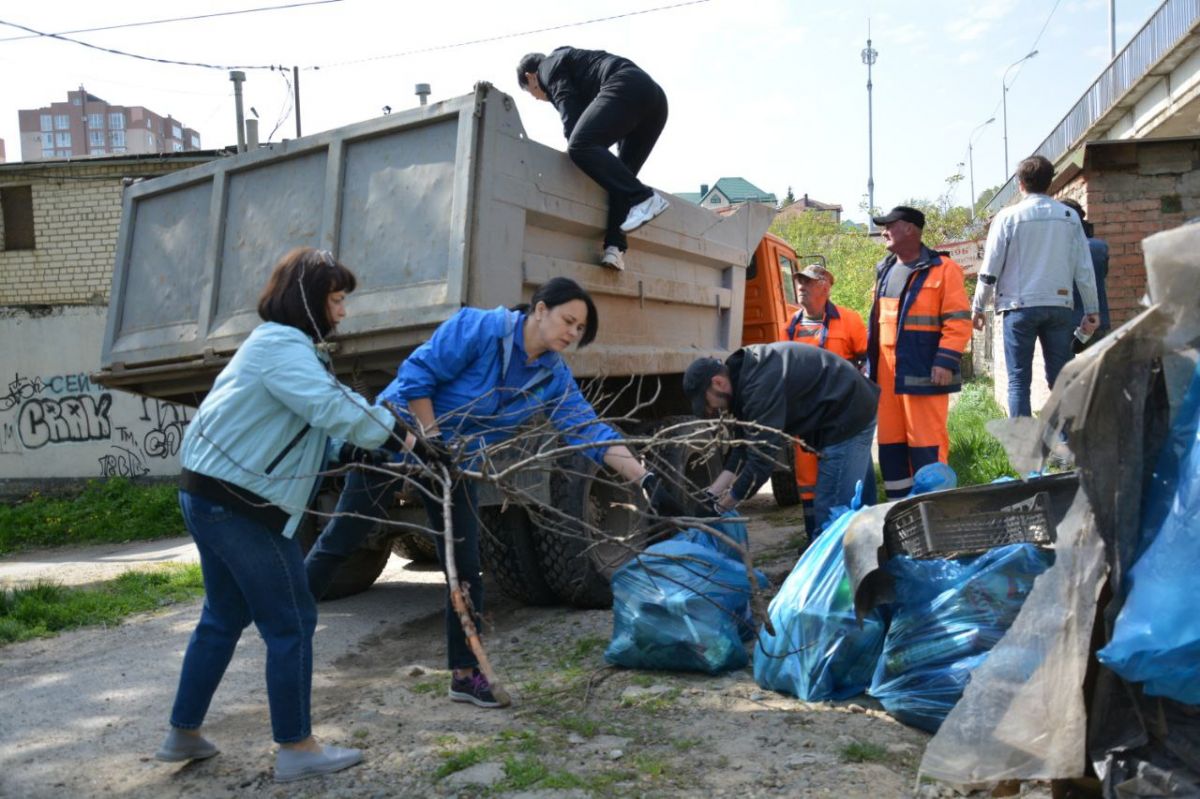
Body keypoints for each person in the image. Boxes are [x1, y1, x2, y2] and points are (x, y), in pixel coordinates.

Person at [306, 276, 685, 708]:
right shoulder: (481, 328)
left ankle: (465, 675)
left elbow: (587, 430)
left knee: (465, 566)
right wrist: (432, 441)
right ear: (539, 309)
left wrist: (645, 479)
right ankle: (284, 615)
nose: (572, 333)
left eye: (580, 329)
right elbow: (416, 377)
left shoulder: (550, 376)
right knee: (344, 538)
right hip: (398, 437)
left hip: (451, 463)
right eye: (568, 321)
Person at [156, 248, 406, 783]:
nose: (342, 312)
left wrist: (349, 448)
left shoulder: (277, 347)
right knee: (292, 620)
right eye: (336, 300)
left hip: (210, 492)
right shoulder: (282, 346)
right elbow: (328, 405)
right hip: (239, 503)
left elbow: (304, 427)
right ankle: (296, 747)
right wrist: (396, 433)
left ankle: (183, 732)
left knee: (223, 616)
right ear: (310, 301)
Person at [682, 342, 879, 533]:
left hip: (847, 414)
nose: (711, 409)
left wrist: (720, 508)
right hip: (850, 406)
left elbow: (761, 462)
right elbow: (742, 448)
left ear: (718, 382)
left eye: (707, 401)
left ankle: (839, 555)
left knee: (832, 516)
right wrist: (712, 494)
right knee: (861, 509)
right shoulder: (742, 377)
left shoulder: (758, 388)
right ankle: (875, 551)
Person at [517, 47, 669, 272]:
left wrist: (577, 150)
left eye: (532, 93)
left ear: (531, 78)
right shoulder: (574, 66)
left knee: (579, 146)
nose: (538, 99)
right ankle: (615, 248)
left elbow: (568, 106)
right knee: (619, 176)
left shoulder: (547, 66)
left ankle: (644, 197)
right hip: (654, 101)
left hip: (626, 85)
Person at [972, 156, 1100, 417]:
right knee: (1061, 380)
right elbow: (1084, 268)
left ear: (1020, 183)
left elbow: (990, 268)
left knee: (1018, 382)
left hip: (1018, 307)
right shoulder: (1069, 216)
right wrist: (1092, 309)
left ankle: (1023, 444)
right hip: (1059, 305)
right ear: (1050, 182)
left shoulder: (1007, 217)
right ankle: (1063, 440)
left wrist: (978, 306)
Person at [867, 206, 973, 499]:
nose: (884, 232)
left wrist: (946, 361)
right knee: (891, 445)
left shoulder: (944, 269)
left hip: (924, 371)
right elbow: (877, 323)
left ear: (910, 228)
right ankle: (900, 509)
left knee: (926, 444)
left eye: (890, 225)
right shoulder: (884, 269)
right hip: (887, 376)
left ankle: (933, 508)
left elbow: (958, 320)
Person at [782, 262, 870, 529]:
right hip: (806, 417)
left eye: (808, 282)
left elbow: (866, 361)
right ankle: (815, 538)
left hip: (842, 416)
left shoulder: (849, 320)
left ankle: (859, 532)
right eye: (799, 282)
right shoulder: (790, 326)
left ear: (825, 287)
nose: (801, 287)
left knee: (852, 474)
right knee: (808, 479)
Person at [1060, 197, 1111, 348]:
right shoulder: (1100, 247)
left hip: (1064, 320)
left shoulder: (1056, 249)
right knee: (1096, 362)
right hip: (1097, 319)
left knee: (1063, 363)